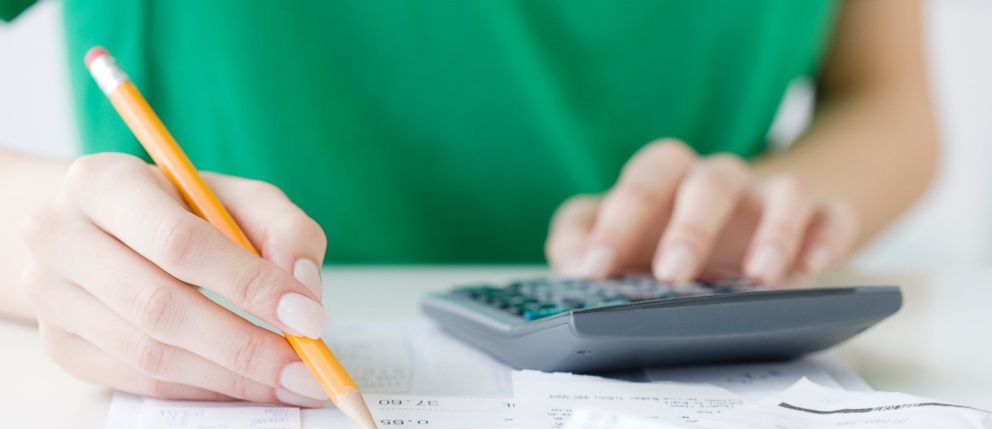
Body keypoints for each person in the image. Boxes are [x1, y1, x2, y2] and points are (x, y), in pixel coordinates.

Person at [0, 1, 936, 406]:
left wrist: (778, 207)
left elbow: (888, 100)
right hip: (205, 360)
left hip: (689, 337)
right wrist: (32, 229)